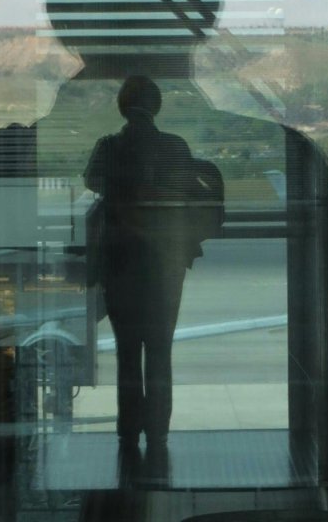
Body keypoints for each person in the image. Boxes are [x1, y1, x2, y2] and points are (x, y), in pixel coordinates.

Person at [83, 76, 201, 456]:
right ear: (157, 106)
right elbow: (190, 190)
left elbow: (91, 181)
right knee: (161, 350)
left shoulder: (109, 147)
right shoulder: (174, 147)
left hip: (121, 260)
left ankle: (129, 431)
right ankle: (159, 433)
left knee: (127, 352)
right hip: (165, 261)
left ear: (121, 107)